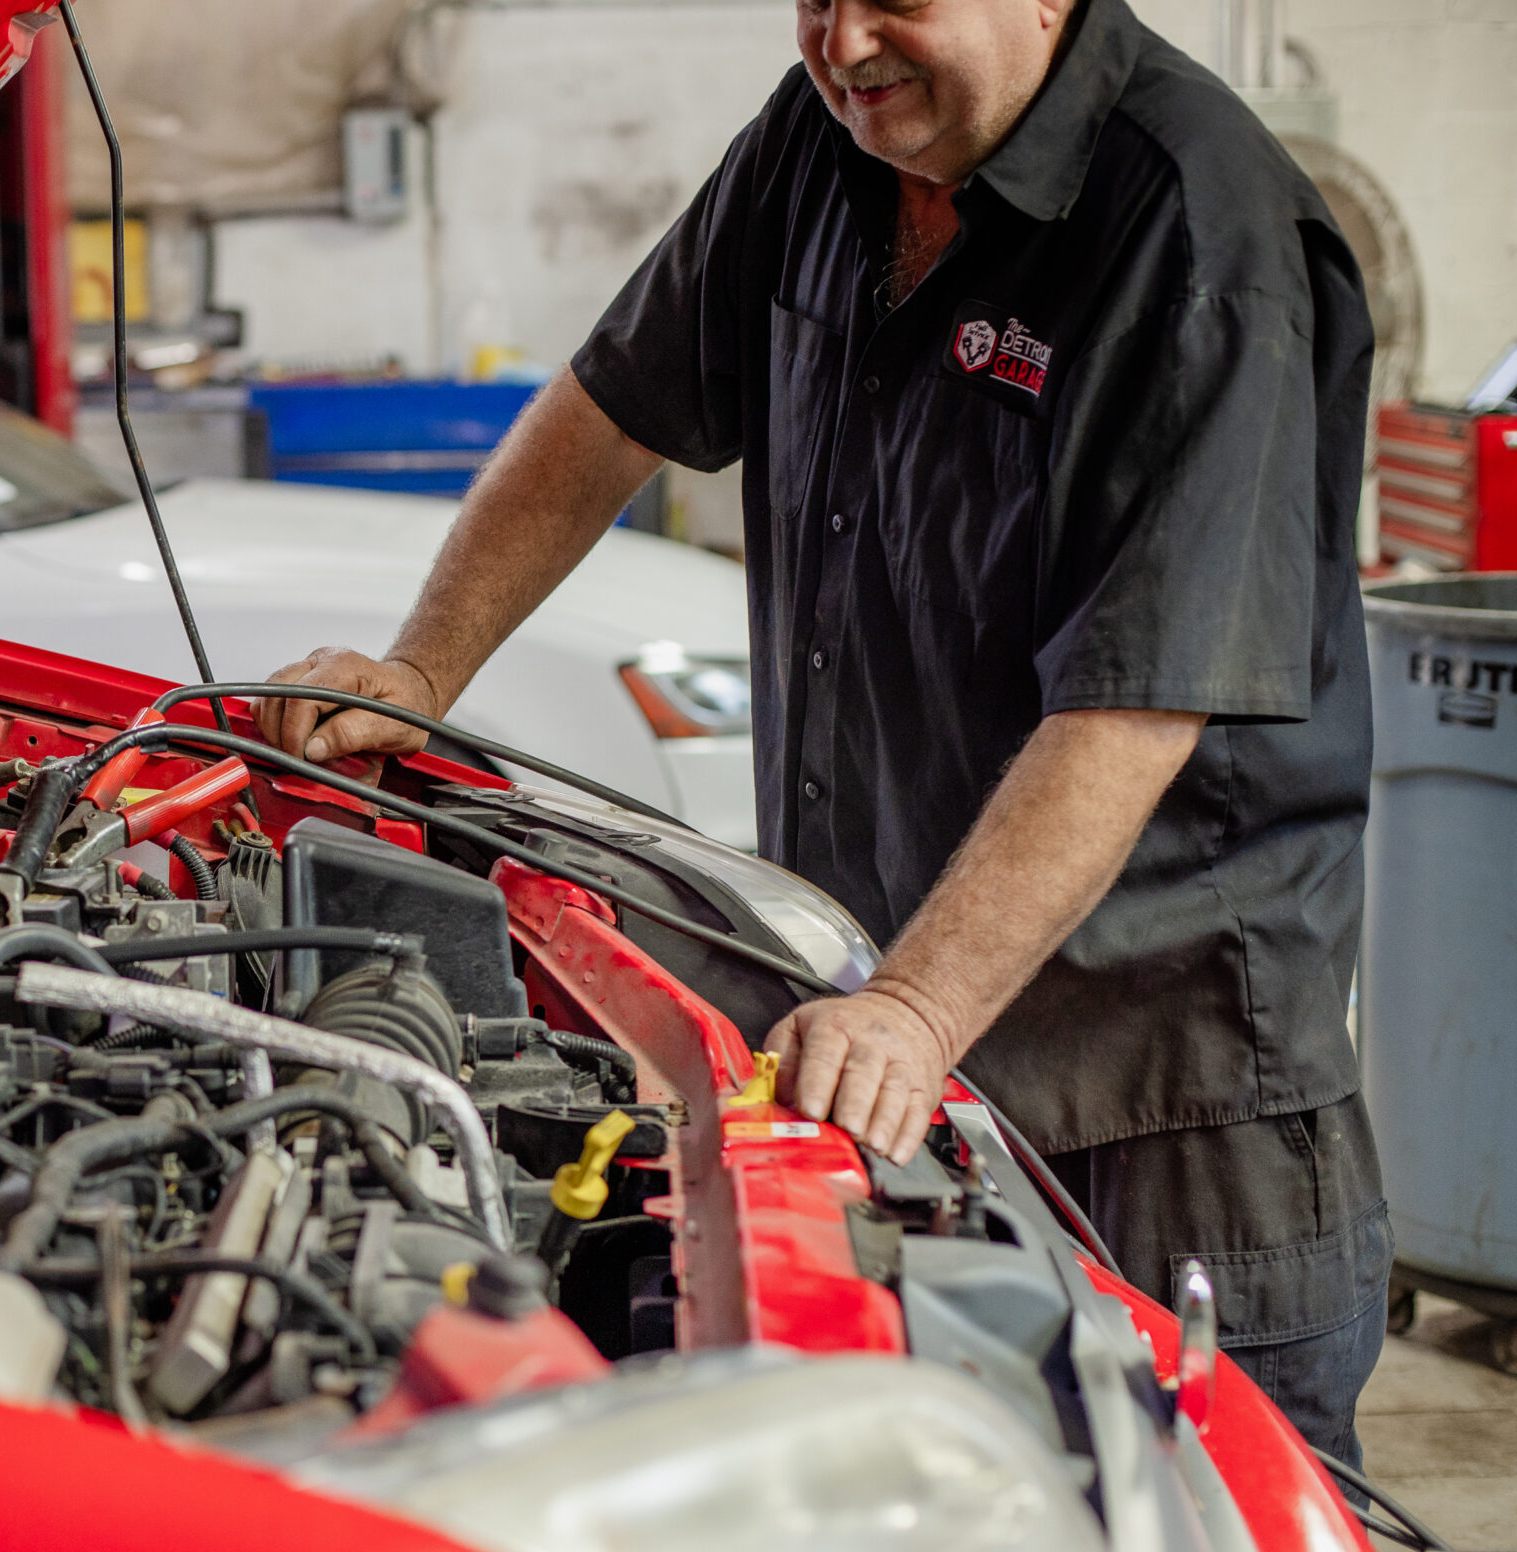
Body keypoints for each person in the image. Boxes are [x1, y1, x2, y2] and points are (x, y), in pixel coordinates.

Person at [258, 0, 1387, 1463]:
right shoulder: (819, 150)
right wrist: (420, 671)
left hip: (1167, 1114)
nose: (843, 42)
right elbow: (610, 410)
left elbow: (1135, 700)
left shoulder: (1196, 230)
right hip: (895, 1043)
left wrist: (915, 1006)